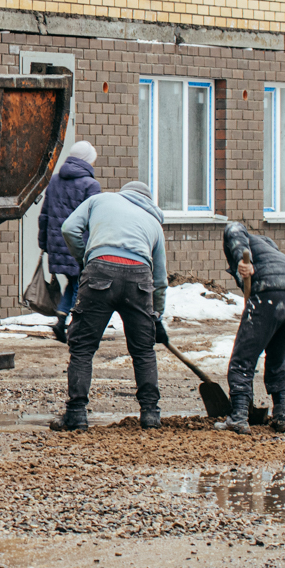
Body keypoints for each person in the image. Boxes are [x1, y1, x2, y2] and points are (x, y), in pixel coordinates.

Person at [50, 181, 168, 432]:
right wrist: (156, 317)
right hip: (139, 278)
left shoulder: (100, 200)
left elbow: (69, 229)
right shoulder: (154, 224)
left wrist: (86, 258)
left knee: (82, 347)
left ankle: (76, 414)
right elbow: (159, 280)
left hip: (100, 271)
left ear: (125, 192)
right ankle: (150, 414)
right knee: (144, 350)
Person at [215, 221, 285, 434]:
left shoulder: (245, 241)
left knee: (243, 358)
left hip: (271, 294)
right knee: (277, 358)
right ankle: (282, 415)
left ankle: (239, 417)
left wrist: (243, 256)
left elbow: (234, 228)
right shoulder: (273, 253)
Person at [36, 140, 102, 344]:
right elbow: (95, 219)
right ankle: (66, 318)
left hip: (56, 243)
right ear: (87, 161)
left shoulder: (54, 181)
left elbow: (44, 215)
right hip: (79, 244)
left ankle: (63, 318)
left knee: (74, 283)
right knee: (79, 285)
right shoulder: (91, 185)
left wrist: (43, 243)